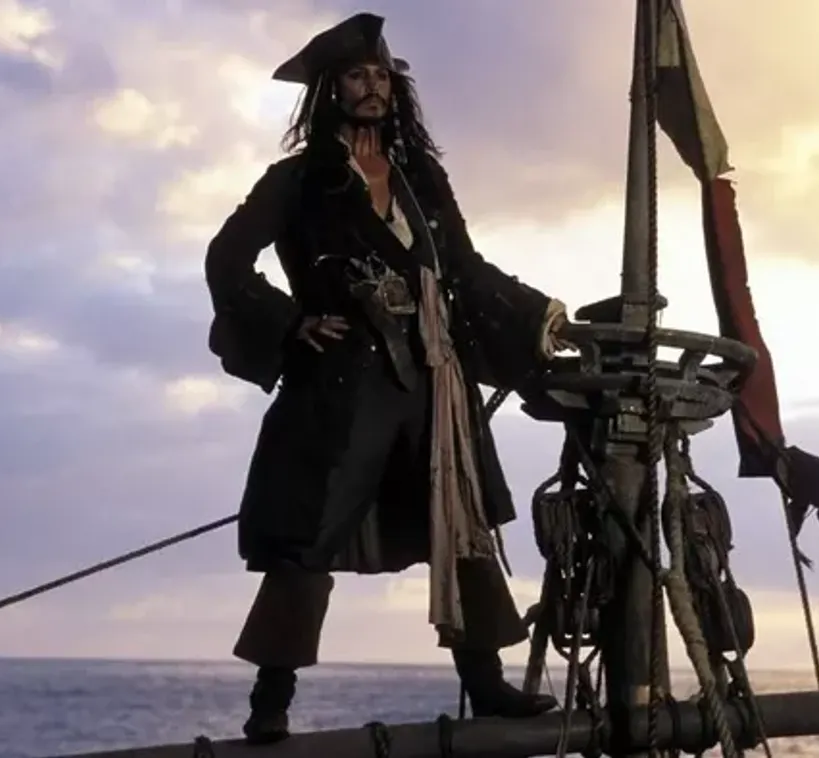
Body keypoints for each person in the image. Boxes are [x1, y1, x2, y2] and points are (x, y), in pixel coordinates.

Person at [204, 12, 570, 744]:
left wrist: (540, 315)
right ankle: (271, 701)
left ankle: (485, 683)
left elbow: (463, 268)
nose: (372, 87)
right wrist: (292, 322)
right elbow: (226, 259)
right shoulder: (297, 181)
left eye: (380, 75)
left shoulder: (420, 179)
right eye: (355, 75)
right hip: (341, 385)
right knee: (306, 536)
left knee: (459, 520)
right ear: (330, 90)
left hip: (432, 378)